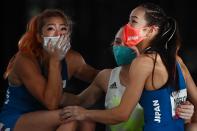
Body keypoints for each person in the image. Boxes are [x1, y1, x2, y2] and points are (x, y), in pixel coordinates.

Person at [60, 3, 197, 131]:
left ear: (150, 31)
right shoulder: (175, 59)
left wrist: (84, 114)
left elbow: (121, 114)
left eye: (133, 21)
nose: (127, 26)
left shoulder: (143, 62)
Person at [0, 9, 99, 131]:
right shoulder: (25, 59)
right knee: (71, 119)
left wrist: (123, 71)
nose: (59, 34)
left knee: (87, 119)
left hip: (47, 117)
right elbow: (51, 104)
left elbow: (99, 77)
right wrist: (55, 60)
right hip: (16, 119)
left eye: (63, 29)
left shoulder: (72, 58)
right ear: (40, 37)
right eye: (51, 29)